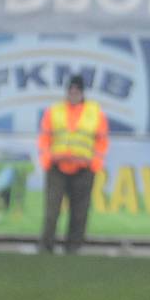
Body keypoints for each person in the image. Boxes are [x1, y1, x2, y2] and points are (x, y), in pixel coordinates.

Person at [37, 75, 109, 255]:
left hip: (83, 169)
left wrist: (94, 165)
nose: (73, 93)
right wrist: (46, 161)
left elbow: (102, 141)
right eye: (71, 89)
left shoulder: (95, 112)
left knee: (79, 212)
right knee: (52, 211)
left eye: (77, 90)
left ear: (82, 91)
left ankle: (73, 248)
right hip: (57, 167)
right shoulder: (54, 111)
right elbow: (45, 137)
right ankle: (46, 247)